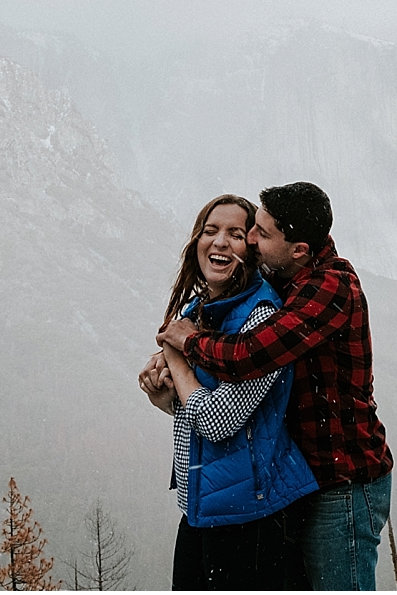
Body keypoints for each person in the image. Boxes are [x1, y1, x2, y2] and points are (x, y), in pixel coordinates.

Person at [155, 181, 394, 591]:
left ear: (297, 248)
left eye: (259, 234)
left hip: (344, 481)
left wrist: (182, 347)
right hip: (298, 480)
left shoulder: (329, 288)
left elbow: (248, 356)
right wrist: (169, 369)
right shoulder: (284, 269)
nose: (248, 240)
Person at [138, 193, 318, 590]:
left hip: (253, 519)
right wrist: (163, 397)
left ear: (252, 249)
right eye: (210, 230)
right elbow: (199, 410)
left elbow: (218, 421)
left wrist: (180, 355)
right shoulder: (199, 310)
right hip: (202, 510)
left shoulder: (261, 317)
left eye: (236, 234)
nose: (219, 242)